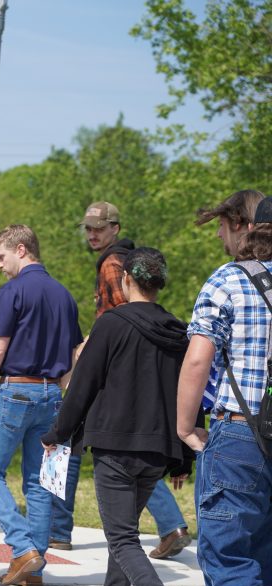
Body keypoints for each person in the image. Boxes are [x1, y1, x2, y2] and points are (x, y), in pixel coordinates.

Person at [41, 247, 197, 586]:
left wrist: (58, 433)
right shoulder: (179, 331)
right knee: (122, 533)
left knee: (123, 538)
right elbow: (190, 393)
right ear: (160, 282)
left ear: (127, 278)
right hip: (158, 449)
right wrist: (184, 457)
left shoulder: (112, 324)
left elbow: (83, 386)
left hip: (115, 444)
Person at [50, 201, 192, 560]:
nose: (92, 234)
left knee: (117, 450)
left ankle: (61, 533)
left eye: (100, 227)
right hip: (133, 369)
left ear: (115, 228)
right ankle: (168, 525)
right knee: (132, 450)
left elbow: (119, 316)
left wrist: (87, 351)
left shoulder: (115, 264)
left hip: (117, 367)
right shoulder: (119, 260)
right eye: (88, 228)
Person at [177, 189, 271, 586]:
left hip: (239, 435)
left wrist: (183, 424)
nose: (217, 234)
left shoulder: (229, 281)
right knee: (260, 572)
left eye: (221, 224)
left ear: (243, 226)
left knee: (229, 565)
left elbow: (198, 358)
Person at [0, 224, 82, 586]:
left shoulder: (13, 291)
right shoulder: (64, 295)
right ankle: (35, 572)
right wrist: (70, 400)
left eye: (2, 256)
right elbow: (76, 353)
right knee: (40, 481)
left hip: (16, 391)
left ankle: (23, 548)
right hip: (54, 396)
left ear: (22, 250)